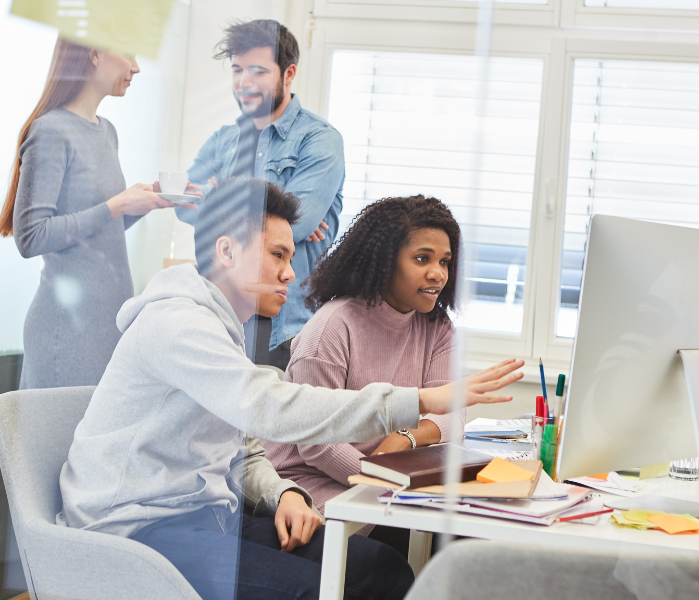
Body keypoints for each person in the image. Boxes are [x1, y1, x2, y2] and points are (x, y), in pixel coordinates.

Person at [57, 177, 524, 600]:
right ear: (226, 251)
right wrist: (418, 402)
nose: (289, 273)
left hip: (208, 520)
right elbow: (272, 409)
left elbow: (242, 450)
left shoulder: (223, 329)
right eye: (277, 255)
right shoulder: (177, 324)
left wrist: (284, 495)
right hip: (137, 531)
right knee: (313, 591)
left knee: (379, 569)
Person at [262, 195, 463, 551]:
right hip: (314, 484)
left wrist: (404, 439)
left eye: (445, 261)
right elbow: (317, 443)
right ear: (385, 263)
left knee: (466, 539)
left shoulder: (438, 327)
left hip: (384, 480)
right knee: (417, 553)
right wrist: (381, 478)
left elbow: (452, 412)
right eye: (422, 259)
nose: (439, 274)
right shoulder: (331, 328)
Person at [0, 38, 193, 389]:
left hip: (107, 324)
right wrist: (116, 205)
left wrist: (146, 203)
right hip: (67, 331)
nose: (136, 67)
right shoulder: (51, 131)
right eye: (128, 54)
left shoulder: (107, 132)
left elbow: (99, 228)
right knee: (60, 443)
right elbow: (31, 237)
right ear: (95, 53)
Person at [176, 19, 345, 371]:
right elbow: (183, 206)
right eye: (237, 70)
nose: (244, 82)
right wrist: (275, 212)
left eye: (257, 71)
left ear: (289, 73)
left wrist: (217, 195)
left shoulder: (319, 140)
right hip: (220, 316)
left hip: (285, 326)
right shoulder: (224, 139)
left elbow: (296, 223)